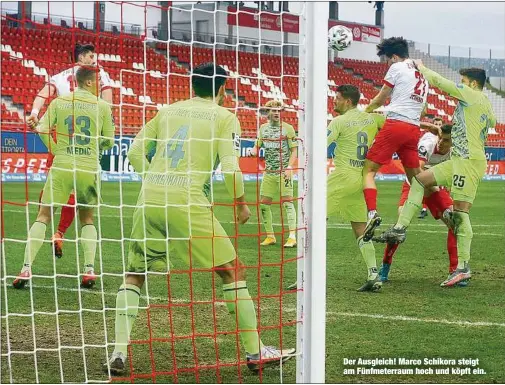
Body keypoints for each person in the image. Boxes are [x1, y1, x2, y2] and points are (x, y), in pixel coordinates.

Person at [103, 63, 294, 376]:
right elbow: (231, 167)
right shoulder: (225, 117)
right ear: (221, 89)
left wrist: (152, 179)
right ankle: (256, 351)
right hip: (187, 202)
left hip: (149, 199)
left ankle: (119, 351)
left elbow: (136, 150)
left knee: (135, 274)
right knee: (233, 270)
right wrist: (241, 204)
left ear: (192, 86)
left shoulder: (167, 111)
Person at [375, 65, 496, 287]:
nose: (462, 84)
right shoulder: (486, 104)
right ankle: (400, 229)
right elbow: (491, 122)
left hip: (468, 162)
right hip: (458, 160)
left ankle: (463, 267)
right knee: (420, 180)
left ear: (473, 83)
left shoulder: (472, 94)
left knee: (460, 212)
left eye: (464, 81)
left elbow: (442, 83)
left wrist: (421, 68)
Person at [13, 66, 115, 289]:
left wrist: (58, 148)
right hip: (88, 167)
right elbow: (109, 141)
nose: (102, 84)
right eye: (99, 81)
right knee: (87, 219)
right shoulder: (103, 107)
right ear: (88, 82)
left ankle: (26, 268)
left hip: (62, 165)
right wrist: (93, 147)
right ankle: (89, 270)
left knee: (43, 216)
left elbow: (40, 129)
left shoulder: (59, 102)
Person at [26, 43, 113, 258]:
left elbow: (42, 94)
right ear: (82, 57)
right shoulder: (100, 74)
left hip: (61, 140)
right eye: (91, 55)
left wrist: (35, 113)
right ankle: (60, 233)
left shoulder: (59, 76)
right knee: (78, 195)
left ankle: (45, 225)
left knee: (53, 187)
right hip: (86, 143)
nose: (94, 59)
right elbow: (108, 105)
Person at [361, 37, 436, 242]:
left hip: (396, 124)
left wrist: (365, 111)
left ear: (394, 56)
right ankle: (445, 208)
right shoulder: (422, 73)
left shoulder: (397, 68)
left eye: (387, 60)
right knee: (417, 178)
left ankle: (372, 214)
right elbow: (425, 108)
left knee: (368, 170)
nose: (387, 64)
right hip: (413, 129)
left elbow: (381, 97)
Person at [379, 124, 466, 285]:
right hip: (413, 184)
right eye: (440, 137)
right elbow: (418, 173)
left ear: (454, 141)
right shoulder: (427, 143)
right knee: (400, 226)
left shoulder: (456, 152)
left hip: (433, 188)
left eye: (446, 140)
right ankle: (385, 266)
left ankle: (455, 270)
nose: (441, 142)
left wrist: (447, 190)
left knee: (456, 222)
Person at [326, 85, 386, 292]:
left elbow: (321, 144)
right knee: (361, 229)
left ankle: (306, 277)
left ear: (348, 101)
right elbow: (394, 126)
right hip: (361, 179)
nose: (334, 101)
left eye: (337, 98)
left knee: (311, 221)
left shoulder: (339, 121)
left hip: (342, 176)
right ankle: (373, 274)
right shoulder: (373, 119)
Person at [249, 100, 298, 248]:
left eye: (278, 110)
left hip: (284, 172)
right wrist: (253, 151)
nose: (277, 113)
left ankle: (292, 236)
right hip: (269, 173)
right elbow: (257, 146)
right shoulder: (263, 129)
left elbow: (294, 150)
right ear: (268, 112)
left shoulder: (288, 129)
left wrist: (290, 167)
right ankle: (270, 236)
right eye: (273, 110)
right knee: (264, 205)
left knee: (288, 203)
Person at [418, 117, 445, 219]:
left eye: (440, 124)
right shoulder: (428, 138)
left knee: (439, 190)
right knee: (428, 188)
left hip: (439, 168)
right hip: (427, 167)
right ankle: (425, 209)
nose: (438, 126)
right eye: (436, 124)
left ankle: (442, 209)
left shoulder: (445, 140)